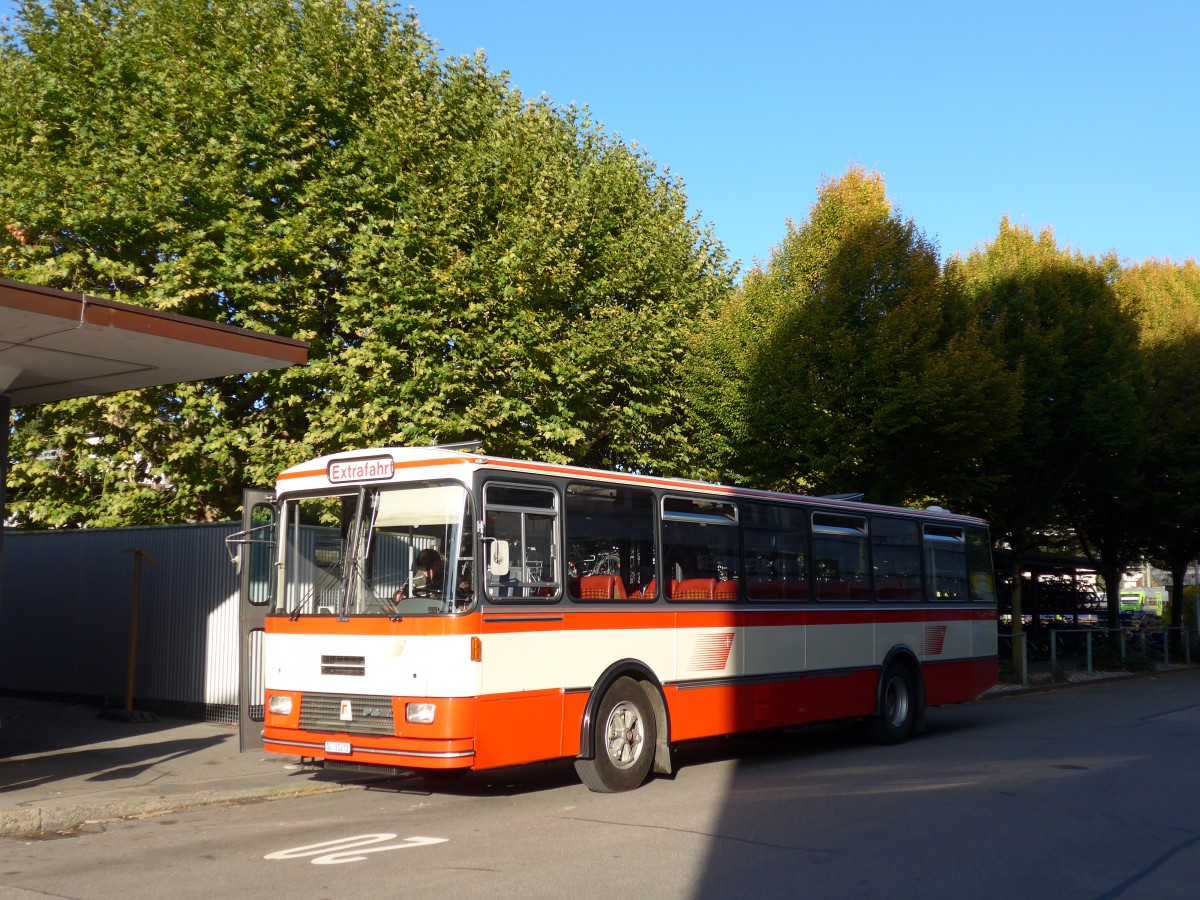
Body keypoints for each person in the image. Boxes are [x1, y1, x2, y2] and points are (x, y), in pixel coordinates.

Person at [392, 548, 472, 608]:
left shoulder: (443, 575)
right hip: (421, 614)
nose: (440, 563)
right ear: (434, 564)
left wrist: (461, 583)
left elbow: (460, 582)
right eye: (439, 561)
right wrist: (398, 594)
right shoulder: (415, 578)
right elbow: (402, 592)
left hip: (443, 613)